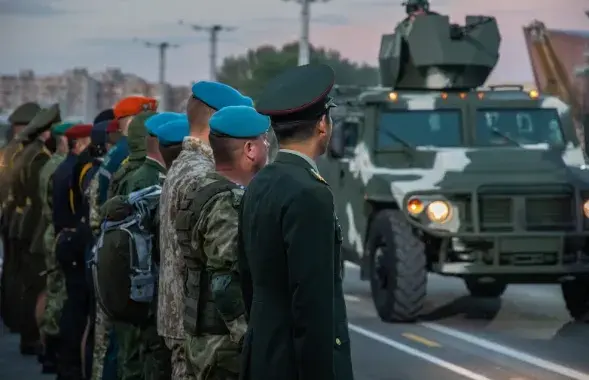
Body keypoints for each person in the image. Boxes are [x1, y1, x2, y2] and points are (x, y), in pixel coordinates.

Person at [238, 64, 354, 380]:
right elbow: (312, 307)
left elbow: (247, 278)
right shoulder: (311, 193)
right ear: (322, 125)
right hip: (294, 365)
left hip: (263, 353)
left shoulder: (259, 184)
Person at [159, 81, 253, 379]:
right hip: (195, 326)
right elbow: (220, 263)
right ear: (217, 122)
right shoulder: (203, 176)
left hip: (182, 317)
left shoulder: (184, 165)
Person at [174, 105, 269, 380]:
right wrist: (248, 340)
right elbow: (225, 282)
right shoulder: (227, 203)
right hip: (222, 348)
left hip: (203, 341)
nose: (267, 145)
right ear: (250, 150)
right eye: (264, 139)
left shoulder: (201, 192)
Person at [16, 104, 61, 357]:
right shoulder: (40, 158)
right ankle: (32, 338)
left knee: (30, 285)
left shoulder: (32, 154)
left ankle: (30, 337)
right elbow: (37, 196)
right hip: (35, 228)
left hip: (27, 225)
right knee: (38, 288)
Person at [52, 123, 93, 380]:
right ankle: (69, 366)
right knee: (76, 310)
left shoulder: (64, 168)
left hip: (65, 240)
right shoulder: (75, 170)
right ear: (78, 143)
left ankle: (64, 362)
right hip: (72, 242)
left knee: (71, 305)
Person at [0, 101, 41, 333]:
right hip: (22, 219)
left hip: (11, 217)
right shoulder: (25, 153)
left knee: (13, 269)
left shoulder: (8, 152)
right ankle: (19, 318)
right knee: (22, 274)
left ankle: (11, 314)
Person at [37, 121, 74, 374]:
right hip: (58, 231)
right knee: (59, 293)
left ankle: (49, 347)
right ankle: (52, 350)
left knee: (52, 289)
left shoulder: (49, 166)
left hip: (49, 229)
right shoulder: (60, 167)